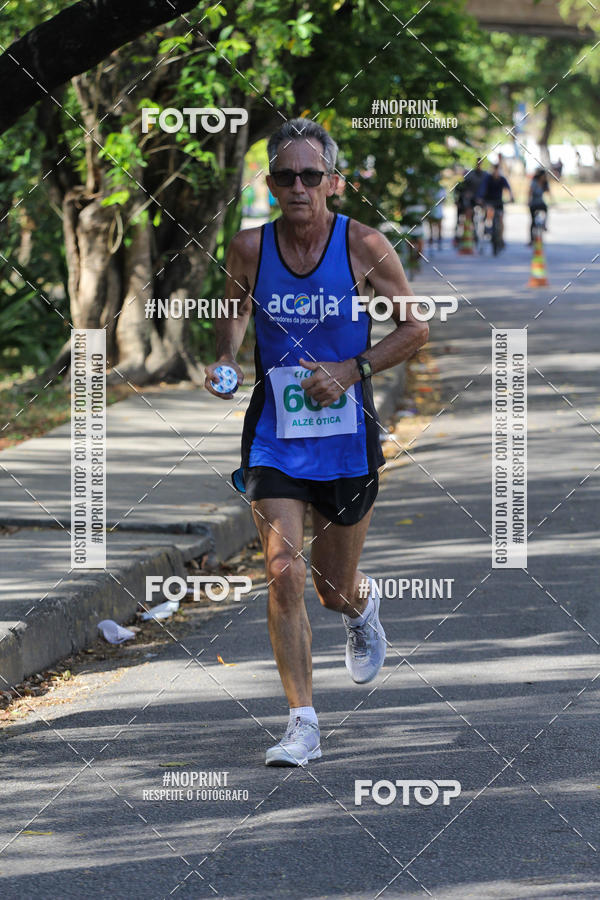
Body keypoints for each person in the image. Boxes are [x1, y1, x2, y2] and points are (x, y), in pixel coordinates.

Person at [204, 118, 428, 767]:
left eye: (310, 175)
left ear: (333, 180)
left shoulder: (363, 246)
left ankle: (362, 608)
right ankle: (302, 722)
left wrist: (350, 370)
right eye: (284, 176)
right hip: (275, 434)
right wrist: (225, 363)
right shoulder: (249, 248)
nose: (298, 187)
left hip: (347, 439)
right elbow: (233, 320)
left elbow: (415, 331)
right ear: (270, 184)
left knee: (331, 586)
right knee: (282, 571)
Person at [477, 162, 514, 248]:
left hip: (498, 201)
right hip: (489, 200)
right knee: (489, 212)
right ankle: (488, 226)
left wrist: (511, 197)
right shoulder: (488, 178)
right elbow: (482, 189)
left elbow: (508, 189)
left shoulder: (502, 179)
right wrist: (480, 197)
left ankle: (501, 238)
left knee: (501, 219)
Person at [528, 168, 550, 244]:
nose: (544, 177)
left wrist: (553, 201)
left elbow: (549, 192)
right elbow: (530, 192)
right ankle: (531, 239)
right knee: (533, 221)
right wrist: (528, 201)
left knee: (546, 209)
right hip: (534, 203)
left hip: (541, 202)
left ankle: (544, 224)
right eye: (543, 176)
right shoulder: (534, 182)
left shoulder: (545, 183)